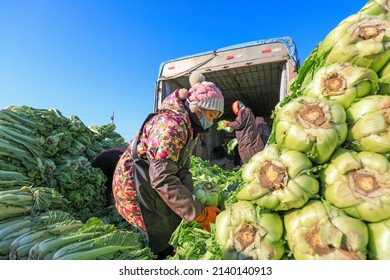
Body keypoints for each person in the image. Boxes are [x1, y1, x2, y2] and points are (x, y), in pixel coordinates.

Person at [112, 72, 224, 259]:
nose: (211, 122)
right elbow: (162, 178)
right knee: (156, 236)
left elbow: (183, 169)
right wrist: (199, 214)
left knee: (172, 223)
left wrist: (192, 205)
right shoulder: (171, 125)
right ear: (197, 107)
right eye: (211, 115)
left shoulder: (189, 128)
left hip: (151, 180)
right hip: (134, 187)